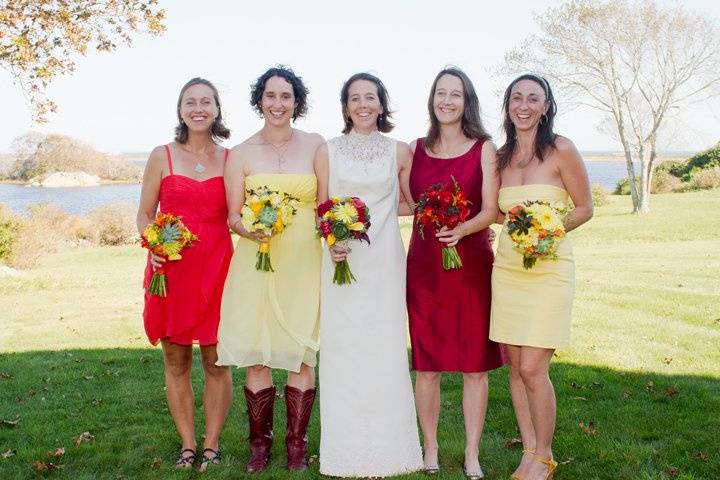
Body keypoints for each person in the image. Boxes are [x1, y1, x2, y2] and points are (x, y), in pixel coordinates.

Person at [216, 66, 324, 473]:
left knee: (301, 354)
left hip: (303, 258)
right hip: (257, 257)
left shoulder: (315, 146)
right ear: (259, 100)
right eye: (270, 96)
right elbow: (232, 216)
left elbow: (326, 203)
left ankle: (297, 445)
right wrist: (252, 229)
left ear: (297, 102)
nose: (278, 104)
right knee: (258, 354)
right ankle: (259, 446)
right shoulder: (240, 153)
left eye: (286, 96)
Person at [315, 72, 423, 477]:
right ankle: (344, 450)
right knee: (343, 348)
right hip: (341, 260)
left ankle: (391, 448)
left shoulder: (399, 151)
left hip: (384, 263)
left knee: (384, 346)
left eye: (371, 97)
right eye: (355, 98)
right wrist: (332, 239)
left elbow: (410, 203)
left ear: (382, 104)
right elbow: (322, 207)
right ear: (345, 107)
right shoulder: (328, 150)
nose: (363, 105)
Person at [490, 73, 593, 480]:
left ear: (546, 106)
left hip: (549, 270)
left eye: (534, 98)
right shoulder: (500, 156)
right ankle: (529, 452)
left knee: (534, 368)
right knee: (515, 369)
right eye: (517, 98)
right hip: (510, 270)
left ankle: (546, 456)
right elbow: (498, 212)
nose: (525, 105)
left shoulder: (561, 149)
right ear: (508, 105)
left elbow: (584, 208)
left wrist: (546, 230)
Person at [406, 67, 505, 479]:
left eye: (456, 94)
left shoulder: (484, 148)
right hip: (426, 268)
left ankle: (471, 452)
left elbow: (492, 209)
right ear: (431, 99)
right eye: (440, 93)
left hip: (470, 268)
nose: (447, 100)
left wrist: (462, 228)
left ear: (467, 102)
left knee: (473, 366)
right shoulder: (414, 148)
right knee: (427, 364)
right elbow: (404, 201)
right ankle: (429, 448)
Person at [137, 77, 233, 471]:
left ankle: (211, 444)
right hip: (170, 269)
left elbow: (238, 214)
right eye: (191, 102)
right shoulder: (162, 156)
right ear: (180, 109)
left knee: (216, 360)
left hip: (217, 268)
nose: (198, 108)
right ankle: (188, 444)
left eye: (206, 101)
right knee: (176, 361)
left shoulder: (231, 159)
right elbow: (145, 214)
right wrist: (154, 244)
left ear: (216, 109)